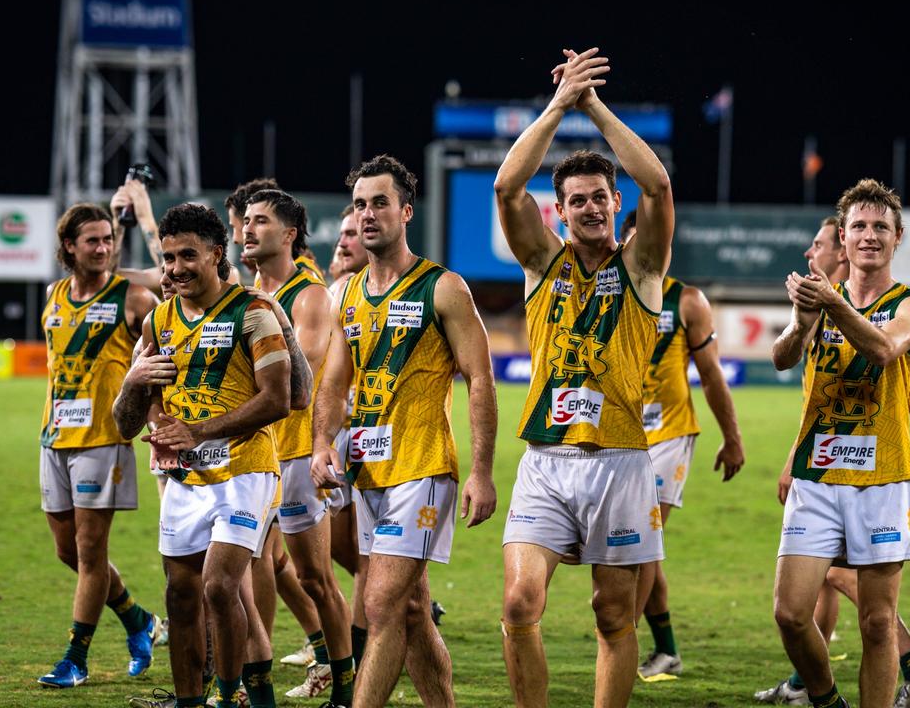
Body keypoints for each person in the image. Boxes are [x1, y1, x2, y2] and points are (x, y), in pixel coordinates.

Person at [494, 47, 672, 707]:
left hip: (622, 463)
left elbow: (659, 187)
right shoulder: (542, 264)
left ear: (614, 201)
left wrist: (592, 105)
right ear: (559, 212)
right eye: (577, 200)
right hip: (545, 461)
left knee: (611, 615)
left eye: (601, 197)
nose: (592, 208)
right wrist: (557, 104)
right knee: (518, 603)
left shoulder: (643, 265)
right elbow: (506, 188)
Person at [310, 154, 498, 708]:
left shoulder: (443, 288)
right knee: (411, 608)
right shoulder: (345, 295)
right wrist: (322, 443)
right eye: (361, 205)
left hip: (423, 467)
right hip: (369, 472)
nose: (368, 215)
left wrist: (482, 472)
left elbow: (480, 379)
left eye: (380, 203)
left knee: (382, 602)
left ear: (406, 211)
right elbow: (333, 385)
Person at [757, 217, 910, 708]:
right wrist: (800, 320)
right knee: (791, 614)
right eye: (858, 226)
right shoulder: (821, 299)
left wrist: (832, 304)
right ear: (845, 238)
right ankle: (824, 699)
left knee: (878, 622)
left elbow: (884, 348)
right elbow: (781, 358)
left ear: (897, 237)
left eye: (882, 226)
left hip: (883, 479)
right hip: (817, 479)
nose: (870, 235)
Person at [113, 202, 291, 708]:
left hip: (245, 471)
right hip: (186, 481)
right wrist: (138, 394)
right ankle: (191, 701)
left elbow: (278, 398)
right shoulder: (158, 323)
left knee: (219, 587)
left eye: (187, 255)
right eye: (168, 258)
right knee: (180, 594)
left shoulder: (253, 312)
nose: (175, 269)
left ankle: (230, 694)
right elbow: (131, 420)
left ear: (217, 254)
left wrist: (197, 430)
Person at [36, 203, 162, 689]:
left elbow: (162, 361)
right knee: (68, 552)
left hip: (104, 440)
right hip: (53, 437)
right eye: (92, 240)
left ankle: (76, 657)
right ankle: (138, 620)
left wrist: (153, 416)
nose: (104, 247)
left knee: (90, 554)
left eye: (109, 239)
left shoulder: (133, 298)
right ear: (69, 246)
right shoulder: (53, 295)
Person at [616, 210, 745, 682]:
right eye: (634, 243)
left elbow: (711, 374)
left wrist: (732, 438)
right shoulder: (606, 296)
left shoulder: (686, 300)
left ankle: (624, 642)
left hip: (670, 434)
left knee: (642, 541)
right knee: (633, 546)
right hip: (618, 435)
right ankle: (663, 648)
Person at [242, 188, 355, 704]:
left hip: (293, 455)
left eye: (260, 221)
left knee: (315, 577)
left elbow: (298, 381)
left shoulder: (309, 295)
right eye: (245, 220)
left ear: (288, 235)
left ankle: (343, 676)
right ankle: (250, 676)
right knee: (250, 564)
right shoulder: (248, 294)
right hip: (254, 454)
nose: (246, 229)